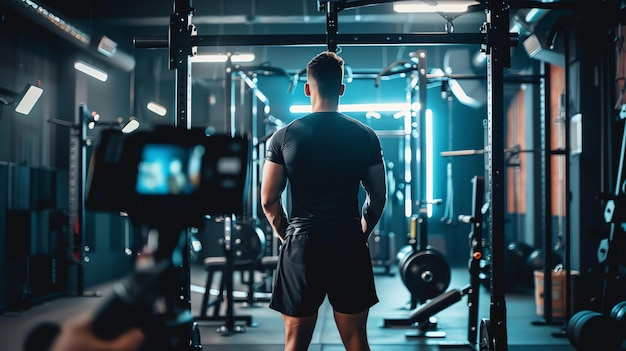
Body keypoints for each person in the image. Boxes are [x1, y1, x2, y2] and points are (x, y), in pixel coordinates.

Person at [260, 51, 387, 351]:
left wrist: (288, 236)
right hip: (348, 241)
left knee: (295, 344)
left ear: (307, 88)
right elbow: (378, 197)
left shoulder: (283, 136)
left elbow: (269, 201)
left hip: (302, 244)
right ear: (342, 88)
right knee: (357, 341)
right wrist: (361, 234)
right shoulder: (366, 135)